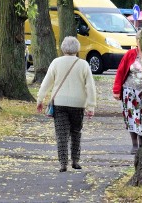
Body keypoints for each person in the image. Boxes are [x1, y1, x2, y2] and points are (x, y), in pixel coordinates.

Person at [37, 36, 97, 172]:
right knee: (76, 132)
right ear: (77, 48)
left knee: (61, 134)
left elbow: (46, 82)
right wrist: (91, 106)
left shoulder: (56, 62)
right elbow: (90, 87)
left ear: (63, 48)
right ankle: (75, 161)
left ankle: (63, 163)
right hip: (78, 104)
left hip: (60, 103)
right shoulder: (83, 65)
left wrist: (40, 99)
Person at [112, 30, 142, 154]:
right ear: (137, 41)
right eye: (139, 40)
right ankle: (134, 144)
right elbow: (120, 72)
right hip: (130, 92)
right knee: (132, 117)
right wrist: (116, 90)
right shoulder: (130, 54)